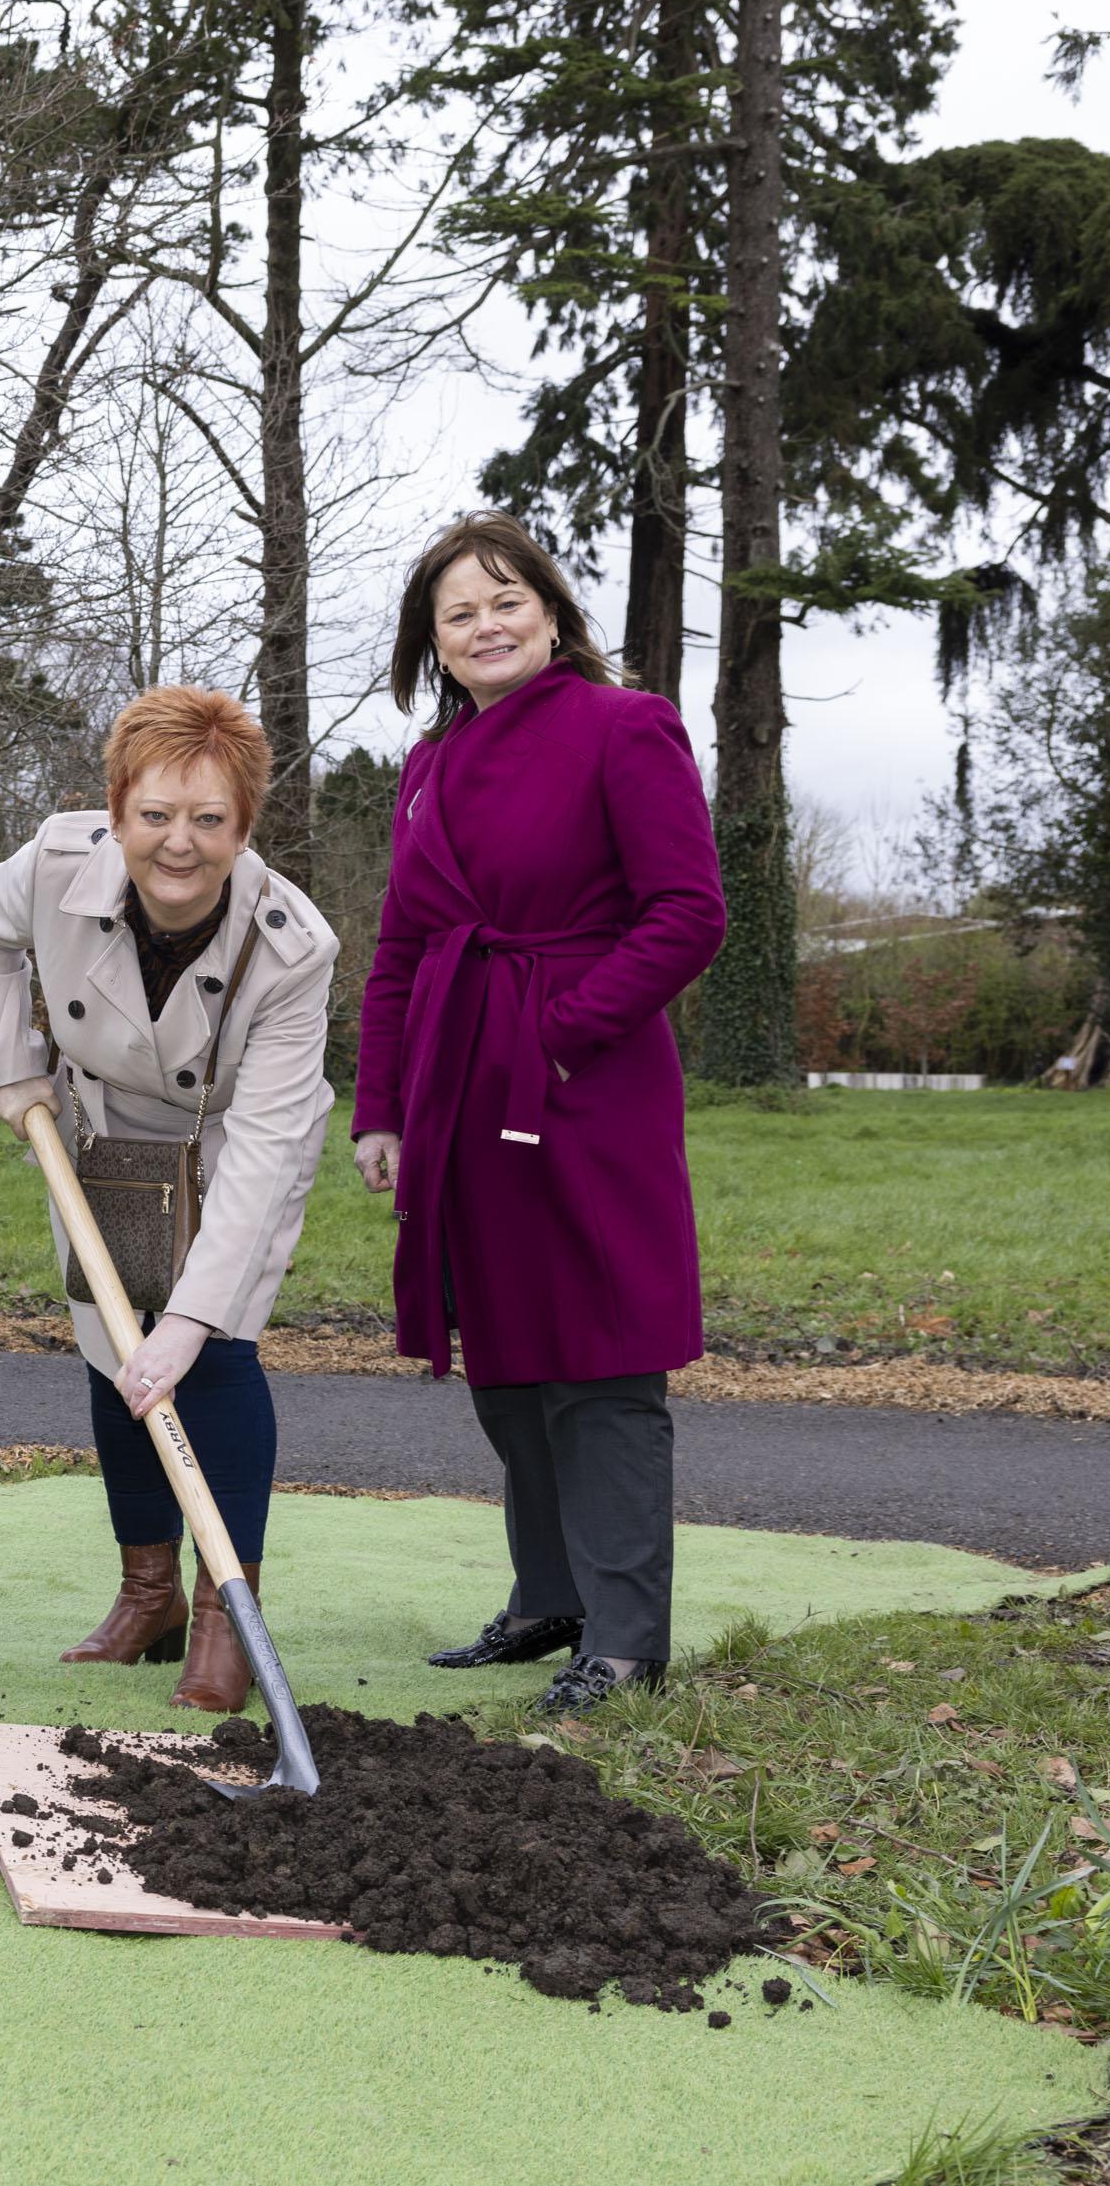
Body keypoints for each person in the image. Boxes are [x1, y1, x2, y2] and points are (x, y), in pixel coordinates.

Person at [349, 513, 726, 1716]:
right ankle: (547, 1599)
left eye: (506, 600)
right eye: (459, 613)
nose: (485, 624)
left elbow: (687, 913)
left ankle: (625, 1638)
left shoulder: (627, 727)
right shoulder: (426, 768)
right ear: (435, 645)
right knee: (505, 1348)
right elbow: (404, 949)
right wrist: (384, 1107)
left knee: (601, 1354)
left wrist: (559, 1027)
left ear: (554, 615)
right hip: (461, 1089)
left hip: (587, 1084)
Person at [0, 688, 337, 1709]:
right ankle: (149, 1592)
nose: (179, 844)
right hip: (99, 1128)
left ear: (244, 827)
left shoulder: (296, 948)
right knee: (108, 1342)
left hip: (231, 1143)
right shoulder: (49, 863)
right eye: (156, 815)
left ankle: (226, 1613)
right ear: (116, 809)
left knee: (206, 1354)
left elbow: (260, 1151)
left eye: (210, 820)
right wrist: (11, 1071)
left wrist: (195, 1317)